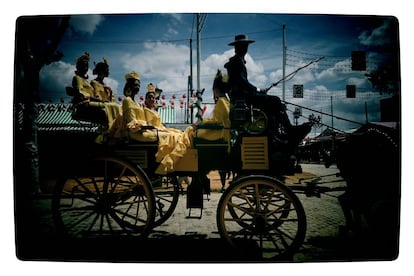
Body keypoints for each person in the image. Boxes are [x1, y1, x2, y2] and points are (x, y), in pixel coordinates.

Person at [224, 34, 312, 150]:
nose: (245, 49)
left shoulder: (237, 62)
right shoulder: (236, 62)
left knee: (270, 104)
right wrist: (258, 90)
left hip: (244, 96)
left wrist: (260, 91)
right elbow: (242, 82)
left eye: (246, 46)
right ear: (237, 48)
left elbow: (243, 83)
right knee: (275, 100)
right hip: (243, 98)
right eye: (243, 46)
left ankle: (275, 132)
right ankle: (289, 129)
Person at [111, 71, 191, 175]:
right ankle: (166, 160)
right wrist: (146, 126)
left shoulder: (136, 103)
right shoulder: (127, 101)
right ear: (129, 86)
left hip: (145, 130)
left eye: (139, 85)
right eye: (135, 85)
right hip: (136, 133)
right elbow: (132, 123)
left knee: (174, 133)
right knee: (169, 136)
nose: (138, 87)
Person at [189, 69, 231, 144]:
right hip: (221, 132)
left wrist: (202, 122)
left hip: (218, 133)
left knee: (191, 133)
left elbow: (216, 122)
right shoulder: (226, 101)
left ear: (216, 90)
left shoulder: (221, 102)